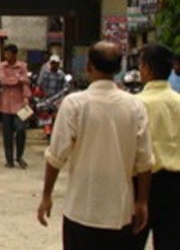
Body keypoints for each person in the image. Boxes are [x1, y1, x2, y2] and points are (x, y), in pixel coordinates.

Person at [37, 41, 153, 250]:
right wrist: (142, 201)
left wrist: (47, 195)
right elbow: (144, 161)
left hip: (81, 209)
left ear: (88, 66)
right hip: (120, 211)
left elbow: (55, 157)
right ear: (119, 68)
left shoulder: (74, 104)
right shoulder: (135, 106)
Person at [131, 44, 180, 250]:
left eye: (141, 64)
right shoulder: (178, 101)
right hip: (176, 183)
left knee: (133, 241)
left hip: (142, 183)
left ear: (147, 68)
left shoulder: (136, 104)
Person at [0, 43, 31, 169]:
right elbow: (3, 81)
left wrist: (26, 97)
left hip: (20, 104)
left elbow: (26, 82)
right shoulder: (2, 66)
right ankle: (9, 158)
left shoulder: (22, 66)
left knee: (21, 130)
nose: (6, 56)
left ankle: (19, 156)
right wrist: (18, 80)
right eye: (5, 54)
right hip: (5, 104)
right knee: (7, 133)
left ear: (14, 54)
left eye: (8, 53)